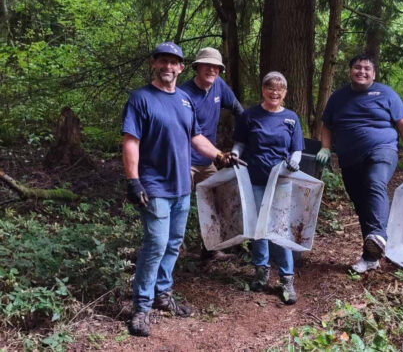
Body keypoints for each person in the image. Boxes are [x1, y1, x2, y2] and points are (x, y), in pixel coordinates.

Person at [122, 42, 243, 337]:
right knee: (155, 245)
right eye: (162, 61)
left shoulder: (184, 100)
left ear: (179, 67)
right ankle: (142, 306)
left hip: (180, 187)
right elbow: (130, 141)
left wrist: (218, 156)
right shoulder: (140, 99)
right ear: (155, 64)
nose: (167, 67)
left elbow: (196, 137)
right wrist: (132, 180)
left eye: (173, 62)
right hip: (154, 186)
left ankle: (163, 294)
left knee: (174, 242)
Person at [315, 54, 403, 274]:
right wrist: (325, 147)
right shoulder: (338, 98)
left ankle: (379, 234)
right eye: (357, 67)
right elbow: (327, 125)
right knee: (361, 205)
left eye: (367, 68)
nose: (362, 71)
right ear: (350, 71)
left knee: (374, 181)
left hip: (382, 150)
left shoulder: (387, 94)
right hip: (349, 159)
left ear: (374, 74)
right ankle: (371, 256)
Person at [231, 72, 304, 304]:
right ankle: (261, 272)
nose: (275, 92)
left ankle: (286, 278)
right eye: (270, 87)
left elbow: (297, 148)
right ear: (263, 89)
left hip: (281, 181)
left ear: (285, 93)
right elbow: (240, 142)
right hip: (254, 179)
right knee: (258, 228)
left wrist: (296, 160)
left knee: (280, 228)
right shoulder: (250, 115)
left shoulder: (291, 118)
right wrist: (234, 155)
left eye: (280, 89)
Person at [179, 47, 244, 261]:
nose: (211, 70)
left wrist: (248, 133)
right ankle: (176, 250)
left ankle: (211, 248)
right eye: (207, 65)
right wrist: (218, 155)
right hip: (184, 159)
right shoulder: (183, 94)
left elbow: (237, 109)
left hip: (207, 160)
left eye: (216, 66)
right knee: (180, 205)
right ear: (197, 67)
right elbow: (189, 134)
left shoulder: (219, 86)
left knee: (218, 200)